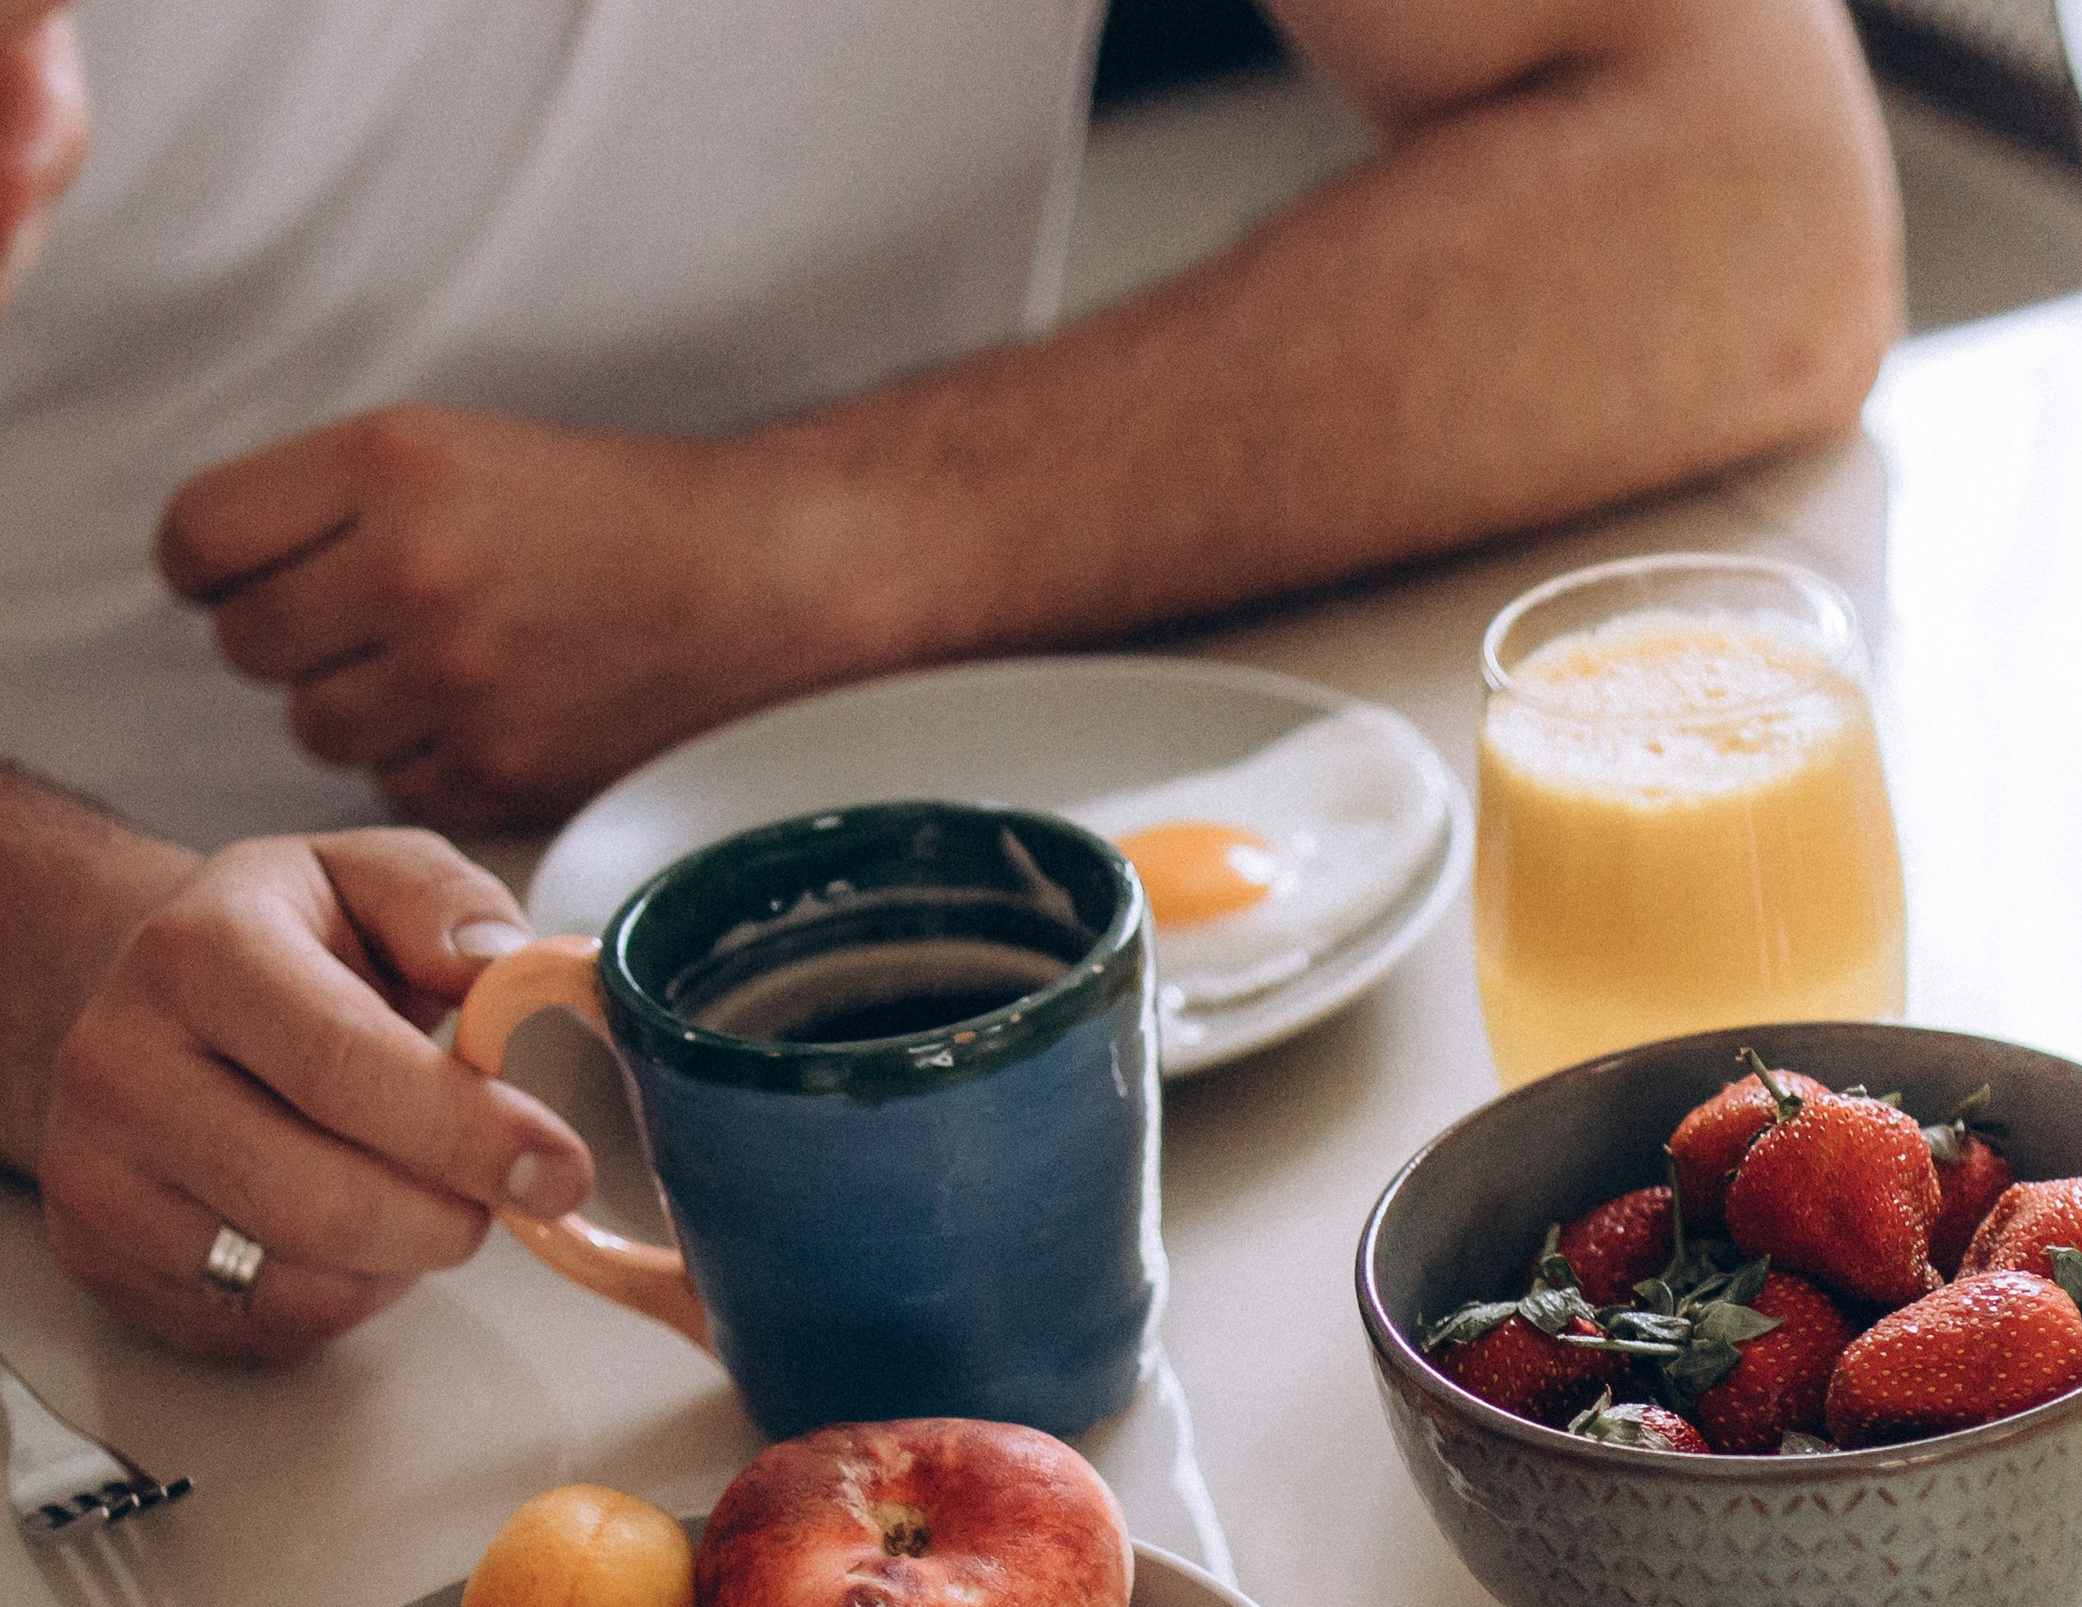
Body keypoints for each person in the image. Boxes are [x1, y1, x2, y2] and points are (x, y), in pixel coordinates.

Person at [0, 0, 1903, 1366]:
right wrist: (57, 947)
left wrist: (819, 551)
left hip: (994, 1065)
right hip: (141, 1199)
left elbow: (1762, 205)